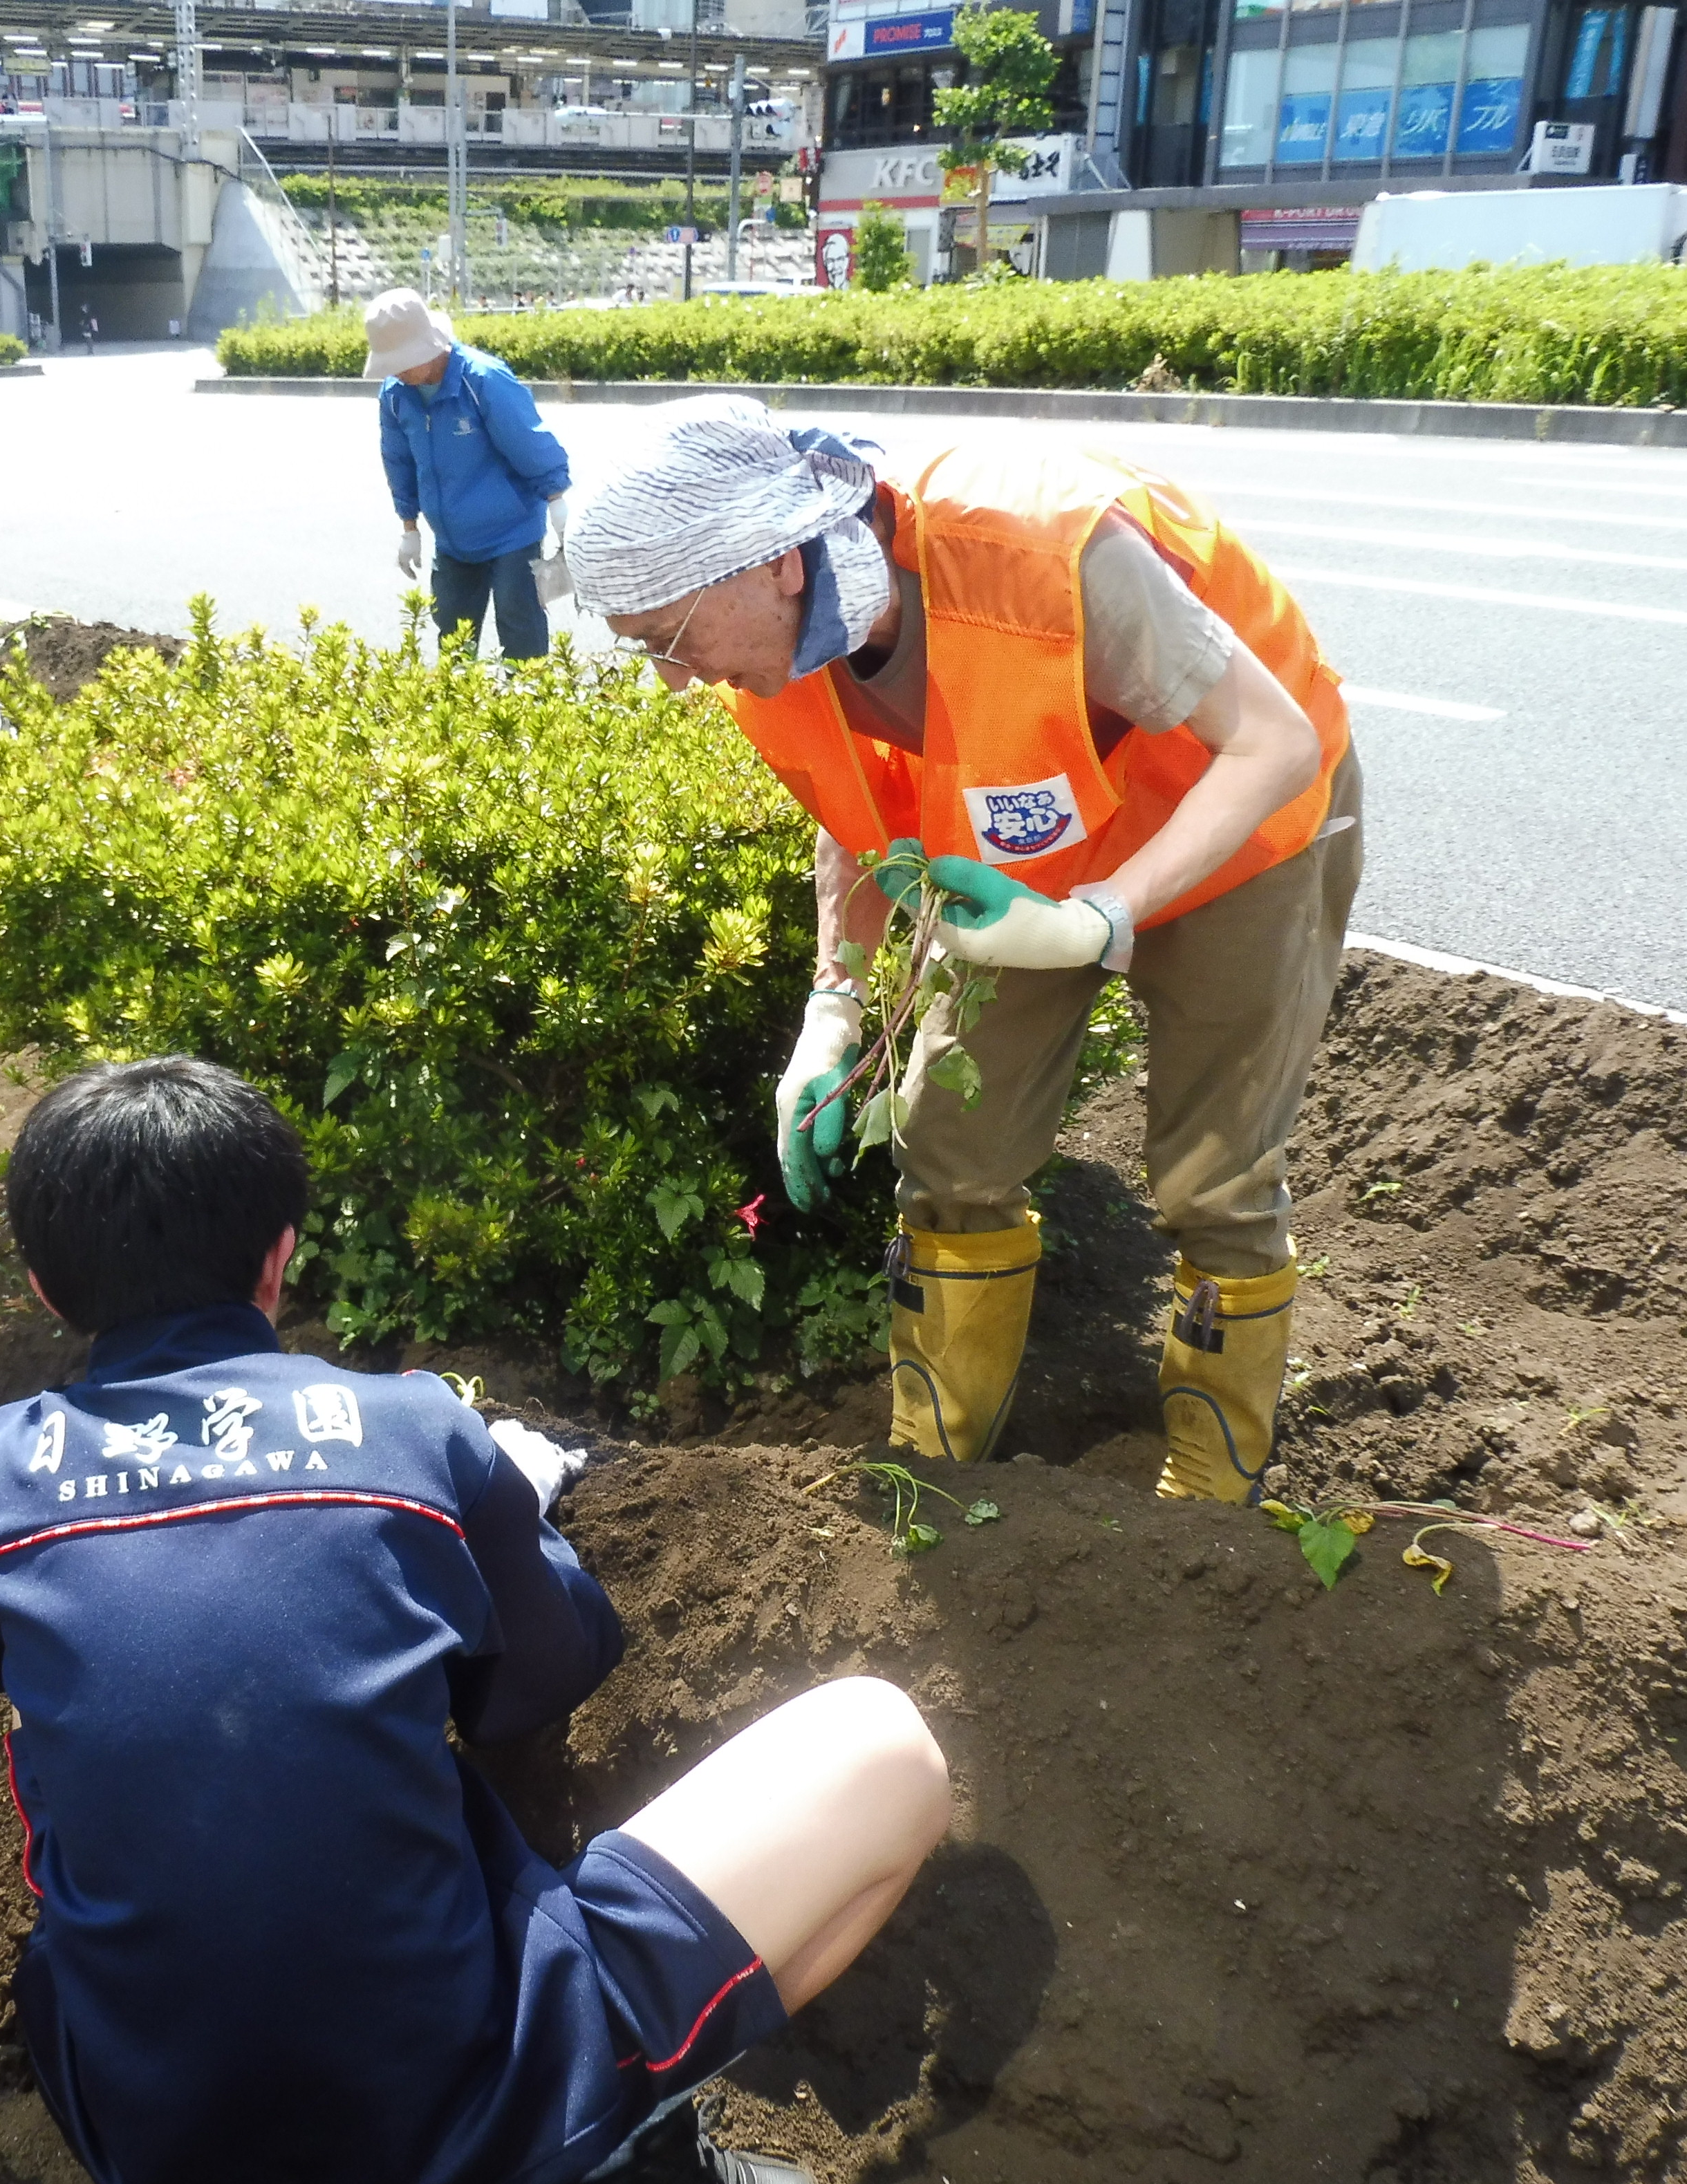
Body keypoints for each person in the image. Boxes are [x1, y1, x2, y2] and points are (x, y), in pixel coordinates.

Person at [0, 1056, 950, 2184]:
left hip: (145, 2140)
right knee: (884, 1744)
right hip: (458, 2125)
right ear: (277, 1259)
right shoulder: (405, 1430)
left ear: (42, 1285)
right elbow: (547, 1673)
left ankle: (442, 2168)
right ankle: (598, 2162)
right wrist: (500, 1504)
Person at [568, 399, 1362, 1504]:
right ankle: (935, 1463)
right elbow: (856, 805)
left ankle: (1209, 1499)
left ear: (779, 565)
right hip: (1026, 853)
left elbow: (1269, 743)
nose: (672, 675)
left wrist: (1102, 919)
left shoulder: (1041, 555)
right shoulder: (783, 643)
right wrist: (833, 1005)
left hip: (1238, 828)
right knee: (950, 1138)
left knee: (1214, 1175)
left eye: (668, 637)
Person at [366, 286, 572, 662]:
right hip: (452, 541)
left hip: (512, 533)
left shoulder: (482, 380)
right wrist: (409, 526)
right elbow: (398, 460)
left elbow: (528, 440)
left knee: (520, 632)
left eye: (401, 360)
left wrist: (556, 499)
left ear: (428, 348)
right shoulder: (396, 394)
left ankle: (529, 714)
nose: (395, 370)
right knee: (453, 641)